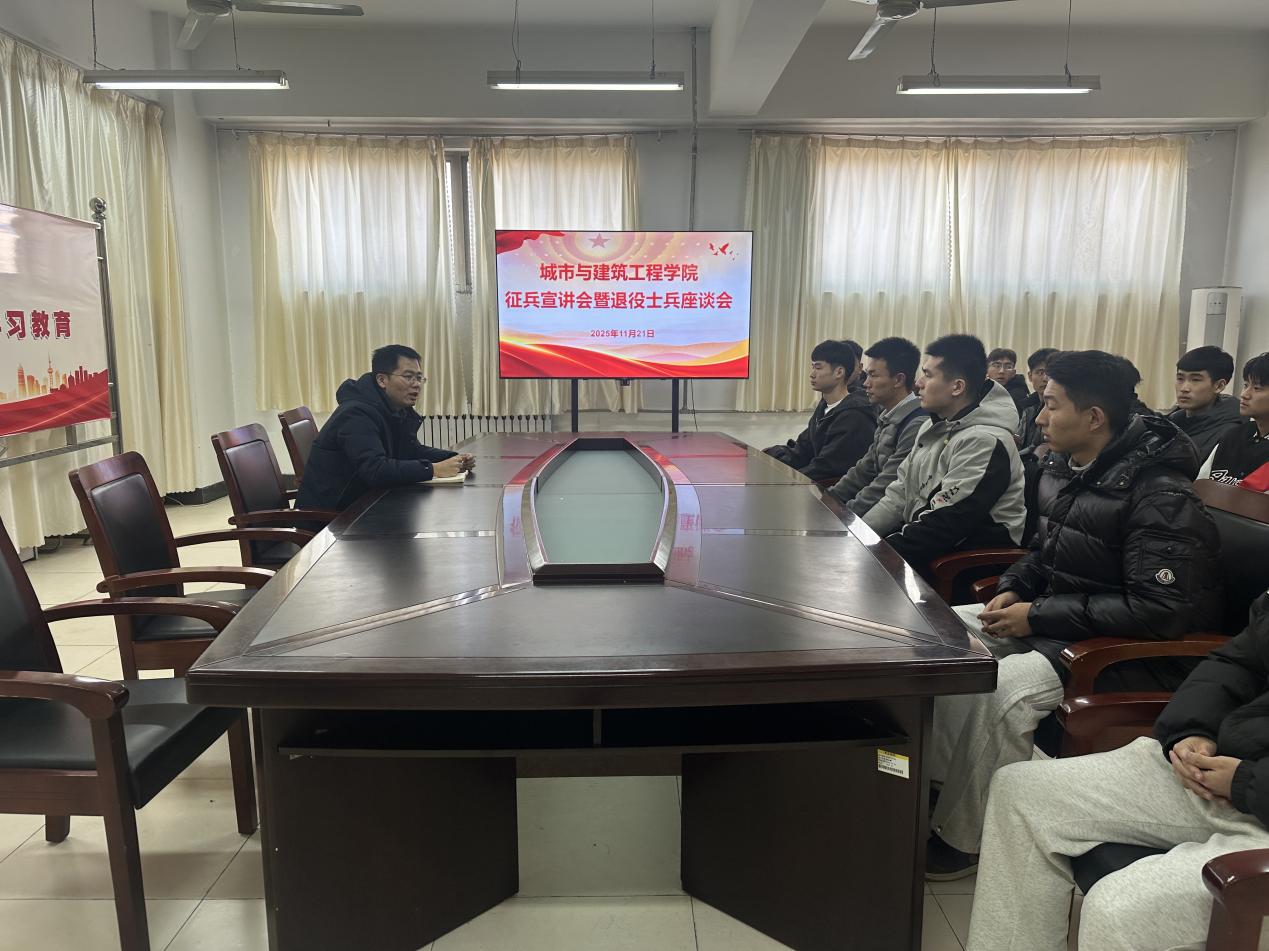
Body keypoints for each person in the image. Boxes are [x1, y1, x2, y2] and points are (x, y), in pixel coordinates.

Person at [926, 350, 1222, 881]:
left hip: (1125, 651)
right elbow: (1047, 551)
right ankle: (948, 783)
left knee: (1003, 688)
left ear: (1094, 417)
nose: (1039, 417)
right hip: (1064, 622)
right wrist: (1015, 588)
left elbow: (1160, 610)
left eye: (1051, 404)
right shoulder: (1067, 467)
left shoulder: (1161, 496)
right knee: (940, 632)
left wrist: (1038, 616)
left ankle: (965, 837)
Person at [966, 592, 1269, 951]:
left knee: (1118, 911)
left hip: (1252, 799)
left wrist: (1246, 782)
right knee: (1020, 792)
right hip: (1221, 773)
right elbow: (1238, 664)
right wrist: (1192, 730)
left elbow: (1159, 607)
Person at [862, 334, 1026, 576]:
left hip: (965, 565)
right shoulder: (932, 427)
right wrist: (859, 535)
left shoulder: (984, 440)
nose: (918, 383)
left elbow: (945, 523)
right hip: (928, 547)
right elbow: (898, 495)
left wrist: (875, 554)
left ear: (957, 387)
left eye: (928, 375)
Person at [297, 344, 474, 511]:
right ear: (382, 380)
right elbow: (375, 470)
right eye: (408, 377)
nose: (416, 384)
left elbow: (411, 450)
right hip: (335, 517)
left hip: (366, 502)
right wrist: (433, 469)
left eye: (419, 378)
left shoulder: (394, 408)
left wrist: (453, 458)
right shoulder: (356, 413)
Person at [828, 336, 928, 517]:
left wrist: (845, 515)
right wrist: (827, 499)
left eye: (873, 375)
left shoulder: (916, 424)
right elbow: (863, 471)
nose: (865, 383)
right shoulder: (887, 416)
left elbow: (884, 485)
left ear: (898, 380)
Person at [763, 339, 878, 484]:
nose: (812, 374)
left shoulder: (855, 415)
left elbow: (825, 468)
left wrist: (784, 481)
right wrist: (771, 457)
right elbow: (802, 450)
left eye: (818, 368)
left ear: (839, 372)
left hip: (833, 492)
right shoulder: (825, 407)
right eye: (813, 367)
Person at [1198, 352, 1269, 491]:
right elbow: (1201, 485)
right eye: (1246, 385)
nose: (1244, 394)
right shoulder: (1233, 436)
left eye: (1257, 388)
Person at [1168, 345, 1239, 463]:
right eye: (1180, 379)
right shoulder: (1173, 421)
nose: (1184, 388)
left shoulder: (1230, 434)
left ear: (1219, 386)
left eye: (1195, 380)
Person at [1014, 347, 1060, 453]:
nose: (1045, 379)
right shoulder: (1027, 407)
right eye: (1040, 372)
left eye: (1050, 373)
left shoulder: (1062, 408)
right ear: (1030, 376)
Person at [987, 348, 1029, 413]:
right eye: (996, 366)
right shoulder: (981, 389)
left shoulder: (1018, 395)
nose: (1001, 371)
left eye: (1008, 367)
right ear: (986, 369)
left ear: (1013, 373)